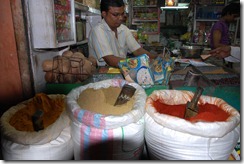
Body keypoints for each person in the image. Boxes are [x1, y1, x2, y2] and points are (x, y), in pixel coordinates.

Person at [88, 0, 157, 67]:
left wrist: (156, 58)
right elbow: (111, 60)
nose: (121, 18)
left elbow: (138, 50)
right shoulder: (98, 31)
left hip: (120, 72)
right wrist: (138, 63)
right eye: (116, 15)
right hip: (103, 75)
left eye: (122, 14)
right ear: (104, 14)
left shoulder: (124, 29)